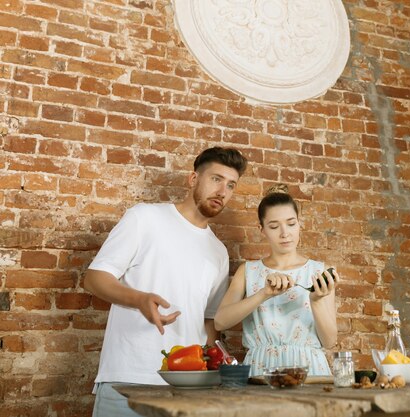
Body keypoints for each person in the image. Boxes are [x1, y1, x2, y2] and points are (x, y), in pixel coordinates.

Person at [84, 147, 247, 417]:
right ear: (193, 179)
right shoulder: (144, 218)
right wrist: (139, 299)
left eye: (231, 185)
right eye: (216, 179)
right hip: (128, 379)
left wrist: (215, 360)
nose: (223, 191)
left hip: (188, 389)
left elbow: (209, 322)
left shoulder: (218, 251)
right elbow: (95, 278)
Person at [214, 184, 337, 377]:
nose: (284, 233)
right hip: (261, 369)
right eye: (274, 226)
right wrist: (263, 294)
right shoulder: (248, 271)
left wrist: (317, 301)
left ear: (299, 224)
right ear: (261, 229)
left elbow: (330, 341)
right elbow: (220, 322)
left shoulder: (318, 271)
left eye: (291, 223)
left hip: (309, 369)